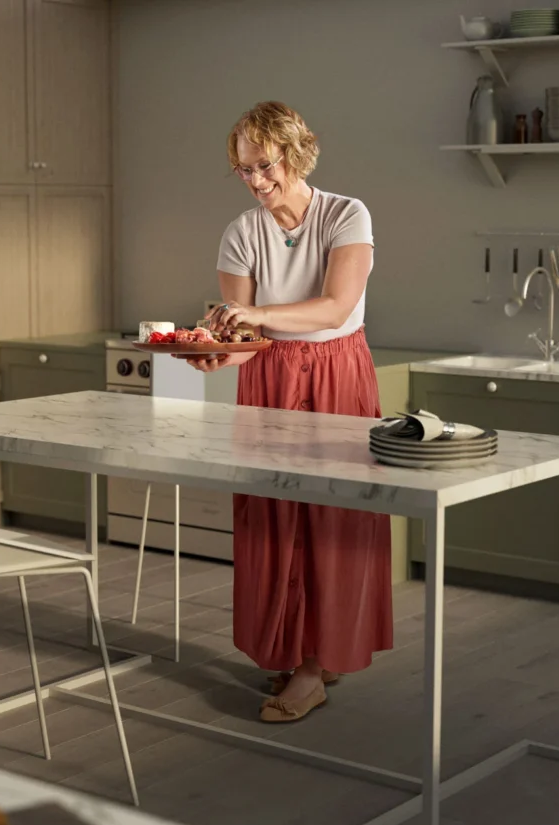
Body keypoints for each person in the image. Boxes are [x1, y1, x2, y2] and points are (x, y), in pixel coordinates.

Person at [185, 101, 392, 724]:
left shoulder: (346, 215)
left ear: (295, 154)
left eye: (264, 165)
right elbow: (244, 337)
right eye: (243, 169)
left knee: (332, 517)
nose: (254, 180)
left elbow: (334, 308)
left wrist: (258, 320)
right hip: (271, 376)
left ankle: (314, 665)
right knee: (273, 514)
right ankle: (300, 651)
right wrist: (219, 355)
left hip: (338, 373)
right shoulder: (242, 231)